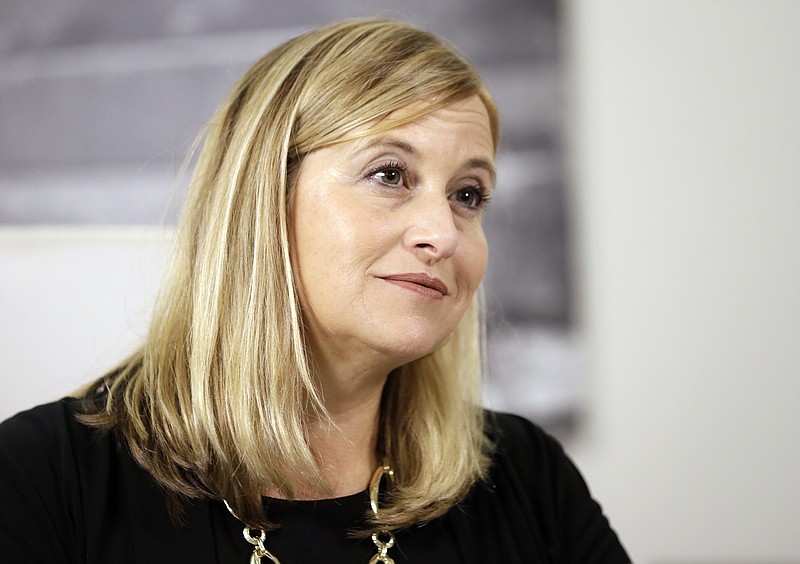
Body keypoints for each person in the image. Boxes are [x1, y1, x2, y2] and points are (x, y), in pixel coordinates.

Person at [0, 18, 629, 563]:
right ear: (264, 200)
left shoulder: (525, 478)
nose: (443, 233)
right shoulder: (43, 481)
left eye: (468, 195)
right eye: (389, 174)